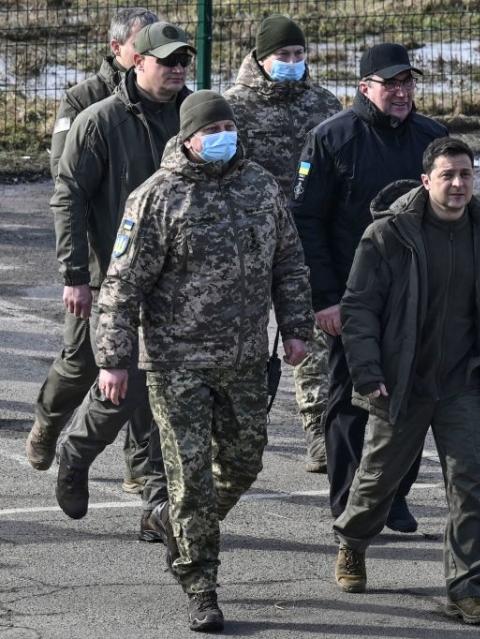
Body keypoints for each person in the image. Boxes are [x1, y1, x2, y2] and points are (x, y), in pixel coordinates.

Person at [94, 91, 314, 633]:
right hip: (177, 362)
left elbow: (289, 261)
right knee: (190, 476)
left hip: (242, 357)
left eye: (228, 128)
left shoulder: (261, 188)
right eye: (212, 130)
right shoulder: (157, 198)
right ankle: (201, 585)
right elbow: (121, 287)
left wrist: (296, 327)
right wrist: (114, 360)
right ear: (189, 139)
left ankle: (171, 520)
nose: (224, 137)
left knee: (243, 464)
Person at [333, 137, 480, 625]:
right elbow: (360, 309)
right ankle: (352, 540)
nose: (458, 185)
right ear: (425, 180)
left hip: (461, 383)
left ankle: (467, 588)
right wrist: (369, 372)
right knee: (379, 480)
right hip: (403, 381)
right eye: (448, 175)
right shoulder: (388, 235)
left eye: (466, 175)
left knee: (469, 485)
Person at [43, 20, 195, 540]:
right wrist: (75, 275)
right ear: (137, 61)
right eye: (168, 61)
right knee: (118, 385)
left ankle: (157, 503)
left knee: (170, 394)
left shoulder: (195, 118)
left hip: (181, 287)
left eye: (184, 62)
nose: (178, 70)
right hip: (118, 279)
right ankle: (75, 448)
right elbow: (69, 196)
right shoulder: (99, 120)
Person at [290, 42, 448, 531]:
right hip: (353, 296)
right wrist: (326, 299)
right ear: (364, 88)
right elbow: (308, 221)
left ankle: (393, 496)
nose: (401, 93)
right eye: (390, 84)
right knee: (349, 403)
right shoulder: (332, 138)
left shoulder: (432, 137)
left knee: (412, 400)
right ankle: (348, 503)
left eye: (408, 83)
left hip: (419, 295)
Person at [28, 6, 159, 502]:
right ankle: (48, 421)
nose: (155, 54)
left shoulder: (168, 102)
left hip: (150, 265)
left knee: (146, 366)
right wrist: (76, 272)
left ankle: (141, 465)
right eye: (144, 45)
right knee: (83, 360)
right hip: (100, 263)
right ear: (118, 50)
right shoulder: (85, 101)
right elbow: (69, 189)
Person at [223, 14, 341, 474]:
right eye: (282, 56)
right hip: (250, 238)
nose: (292, 63)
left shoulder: (323, 103)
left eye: (298, 55)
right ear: (260, 57)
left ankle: (319, 433)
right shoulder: (235, 107)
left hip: (306, 237)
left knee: (310, 335)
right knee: (245, 340)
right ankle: (233, 433)